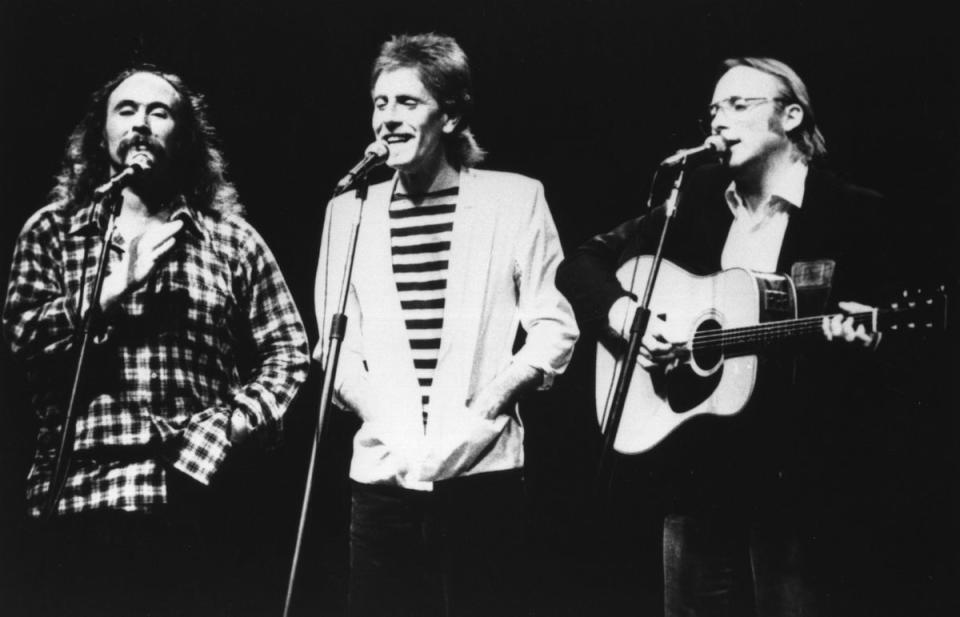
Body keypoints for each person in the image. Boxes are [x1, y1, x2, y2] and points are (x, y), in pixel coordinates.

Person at [556, 57, 890, 616]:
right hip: (697, 478)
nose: (718, 122)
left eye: (738, 106)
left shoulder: (855, 214)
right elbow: (581, 264)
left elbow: (889, 364)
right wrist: (629, 321)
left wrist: (868, 342)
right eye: (713, 110)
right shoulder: (692, 206)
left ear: (790, 116)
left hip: (799, 488)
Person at [2, 65, 310, 617]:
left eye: (158, 112)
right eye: (126, 110)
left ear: (185, 136)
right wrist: (112, 290)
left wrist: (233, 424)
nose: (140, 123)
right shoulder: (52, 230)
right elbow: (22, 339)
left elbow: (288, 350)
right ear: (101, 134)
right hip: (80, 491)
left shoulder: (231, 239)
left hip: (195, 490)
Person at [314, 33, 579, 617]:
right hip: (384, 477)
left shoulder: (515, 200)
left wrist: (486, 406)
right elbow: (335, 350)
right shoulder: (347, 213)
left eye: (406, 102)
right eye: (379, 103)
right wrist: (391, 424)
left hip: (483, 471)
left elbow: (554, 325)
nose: (387, 119)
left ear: (452, 113)